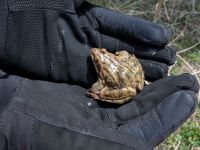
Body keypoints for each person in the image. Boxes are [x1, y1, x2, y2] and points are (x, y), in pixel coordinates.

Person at [0, 0, 199, 149]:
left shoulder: (103, 65)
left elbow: (103, 82)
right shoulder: (104, 57)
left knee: (117, 79)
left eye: (99, 56)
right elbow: (120, 60)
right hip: (126, 73)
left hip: (123, 83)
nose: (96, 54)